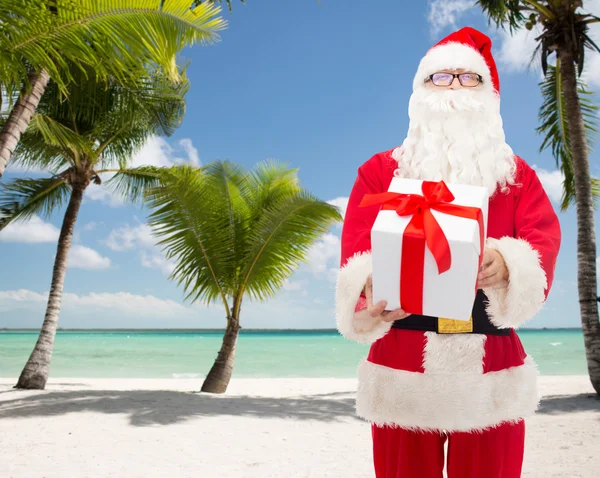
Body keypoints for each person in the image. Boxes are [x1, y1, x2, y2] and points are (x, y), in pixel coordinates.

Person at [335, 27, 561, 478]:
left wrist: (510, 264)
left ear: (489, 93)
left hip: (489, 363)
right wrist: (368, 292)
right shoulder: (379, 171)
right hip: (402, 357)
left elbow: (542, 243)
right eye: (442, 77)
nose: (455, 86)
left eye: (468, 77)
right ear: (421, 91)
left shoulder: (516, 178)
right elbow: (355, 253)